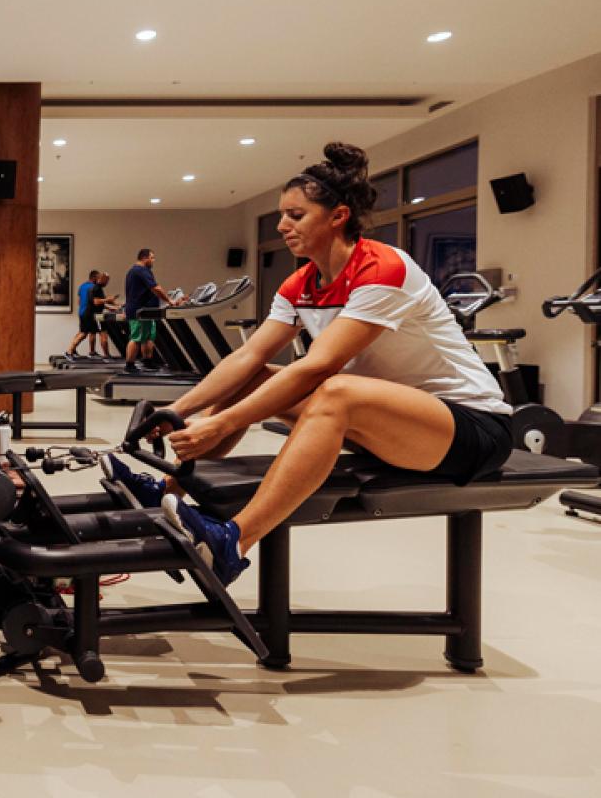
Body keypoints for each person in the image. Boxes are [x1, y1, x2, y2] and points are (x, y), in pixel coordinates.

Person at [113, 143, 512, 586]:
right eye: (282, 215)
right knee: (254, 378)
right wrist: (176, 411)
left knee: (335, 391)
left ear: (338, 216)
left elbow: (318, 366)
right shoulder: (300, 283)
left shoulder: (383, 268)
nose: (282, 226)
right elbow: (247, 356)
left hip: (470, 429)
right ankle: (166, 492)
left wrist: (221, 423)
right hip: (391, 426)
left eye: (296, 215)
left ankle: (233, 544)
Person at [123, 249, 180, 372]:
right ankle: (129, 365)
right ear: (144, 258)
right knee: (137, 338)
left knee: (148, 337)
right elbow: (155, 288)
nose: (153, 260)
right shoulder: (141, 270)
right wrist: (169, 301)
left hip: (147, 311)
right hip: (140, 311)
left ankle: (147, 361)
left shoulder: (135, 271)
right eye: (152, 258)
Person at [65, 271, 118, 358]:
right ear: (94, 278)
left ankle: (90, 352)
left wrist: (108, 307)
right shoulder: (94, 287)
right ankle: (69, 351)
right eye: (99, 277)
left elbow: (79, 301)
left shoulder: (82, 286)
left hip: (82, 312)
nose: (100, 279)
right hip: (90, 313)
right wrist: (107, 301)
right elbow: (95, 301)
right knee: (85, 333)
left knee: (88, 332)